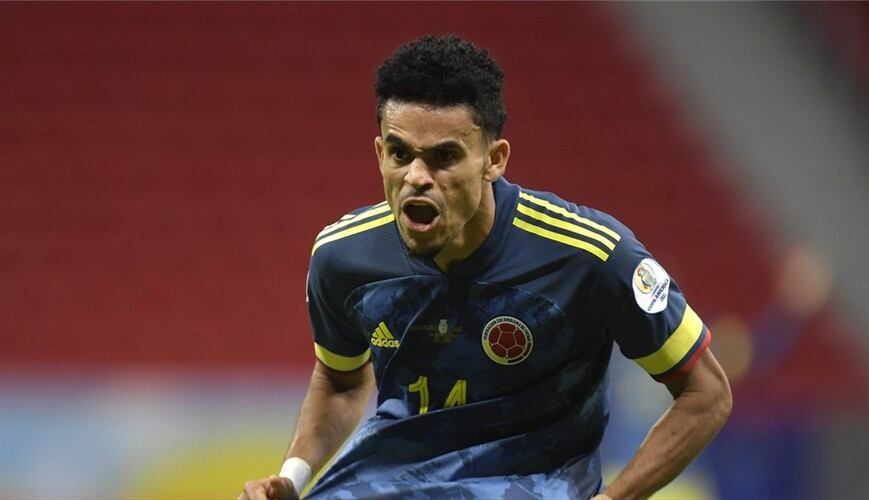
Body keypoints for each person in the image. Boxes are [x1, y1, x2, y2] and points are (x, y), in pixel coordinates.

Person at [240, 35, 732, 500]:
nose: (416, 177)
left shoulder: (592, 256)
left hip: (532, 481)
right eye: (399, 153)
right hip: (390, 479)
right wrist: (292, 478)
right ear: (379, 152)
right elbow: (341, 381)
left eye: (444, 157)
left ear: (493, 160)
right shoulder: (343, 258)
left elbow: (705, 392)